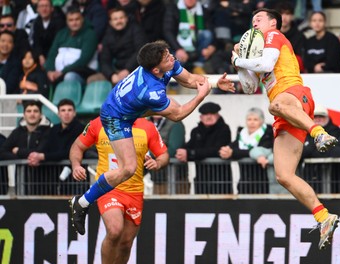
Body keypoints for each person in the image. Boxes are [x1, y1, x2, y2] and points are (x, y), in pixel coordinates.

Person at [69, 40, 235, 235]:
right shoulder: (151, 90)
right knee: (128, 168)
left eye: (169, 53)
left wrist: (214, 82)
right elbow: (178, 114)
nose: (172, 57)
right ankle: (81, 202)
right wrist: (201, 96)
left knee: (164, 108)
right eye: (167, 57)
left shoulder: (163, 65)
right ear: (156, 69)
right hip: (116, 117)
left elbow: (190, 79)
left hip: (130, 105)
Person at [231, 8, 339, 250]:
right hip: (284, 110)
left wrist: (239, 60)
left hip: (293, 96)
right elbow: (249, 87)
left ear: (273, 23)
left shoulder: (273, 36)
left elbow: (267, 63)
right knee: (283, 175)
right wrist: (239, 65)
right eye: (252, 19)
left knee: (275, 104)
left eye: (258, 18)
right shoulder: (257, 49)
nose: (254, 21)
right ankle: (324, 216)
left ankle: (319, 133)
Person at [70, 117, 168, 264]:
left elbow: (164, 154)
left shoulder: (147, 127)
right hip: (108, 189)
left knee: (126, 243)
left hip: (134, 191)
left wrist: (158, 162)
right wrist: (76, 165)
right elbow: (77, 146)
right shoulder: (99, 123)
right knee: (115, 230)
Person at [175, 102, 232, 194]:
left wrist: (190, 153)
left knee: (222, 207)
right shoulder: (196, 131)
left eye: (212, 114)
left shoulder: (224, 129)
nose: (208, 116)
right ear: (201, 117)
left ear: (218, 115)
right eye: (205, 114)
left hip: (220, 179)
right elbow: (190, 145)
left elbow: (217, 150)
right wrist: (181, 152)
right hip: (202, 179)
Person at [219, 107, 277, 194]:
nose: (252, 122)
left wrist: (234, 153)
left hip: (262, 180)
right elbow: (234, 145)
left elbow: (260, 150)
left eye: (255, 119)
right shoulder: (242, 133)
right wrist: (226, 150)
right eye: (249, 119)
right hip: (244, 179)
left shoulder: (268, 133)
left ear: (261, 121)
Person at [44, 6, 98, 86]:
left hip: (82, 73)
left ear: (82, 19)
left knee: (69, 77)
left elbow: (83, 60)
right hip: (58, 73)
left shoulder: (90, 34)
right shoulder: (61, 34)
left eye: (77, 19)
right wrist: (50, 71)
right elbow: (52, 55)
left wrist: (63, 72)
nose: (74, 23)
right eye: (71, 20)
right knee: (41, 77)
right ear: (67, 21)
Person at [97, 8, 147, 85]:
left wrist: (127, 69)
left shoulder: (136, 29)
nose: (119, 21)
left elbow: (141, 51)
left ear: (126, 19)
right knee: (93, 80)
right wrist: (111, 75)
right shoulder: (108, 36)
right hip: (117, 71)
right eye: (115, 19)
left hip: (138, 69)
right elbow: (104, 60)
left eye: (121, 18)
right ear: (110, 22)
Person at [147, 114, 186, 194]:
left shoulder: (175, 123)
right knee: (158, 204)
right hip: (157, 177)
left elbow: (173, 149)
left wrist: (147, 153)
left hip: (176, 177)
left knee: (178, 204)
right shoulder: (145, 122)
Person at [31, 0, 66, 67]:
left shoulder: (59, 22)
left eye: (46, 6)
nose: (44, 9)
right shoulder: (37, 22)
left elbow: (57, 43)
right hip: (41, 56)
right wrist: (40, 55)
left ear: (52, 8)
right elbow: (36, 41)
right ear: (37, 9)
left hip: (56, 55)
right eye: (41, 6)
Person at [0, 30, 23, 94]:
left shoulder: (16, 64)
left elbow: (9, 87)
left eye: (9, 42)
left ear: (13, 45)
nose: (5, 44)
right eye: (3, 41)